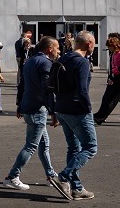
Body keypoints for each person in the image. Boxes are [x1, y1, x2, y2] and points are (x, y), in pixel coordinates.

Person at [3, 36, 61, 192]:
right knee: (31, 146)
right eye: (57, 47)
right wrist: (53, 112)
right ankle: (12, 176)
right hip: (37, 110)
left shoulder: (30, 61)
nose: (59, 50)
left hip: (29, 107)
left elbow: (22, 84)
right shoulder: (46, 63)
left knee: (43, 144)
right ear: (49, 49)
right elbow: (47, 90)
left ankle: (50, 175)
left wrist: (19, 105)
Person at [50, 31, 98, 202]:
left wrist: (54, 109)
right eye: (93, 43)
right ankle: (63, 176)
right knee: (91, 147)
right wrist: (88, 109)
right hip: (77, 110)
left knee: (74, 148)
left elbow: (52, 85)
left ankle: (76, 188)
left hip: (61, 108)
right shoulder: (82, 62)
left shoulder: (63, 59)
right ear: (89, 44)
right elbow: (82, 89)